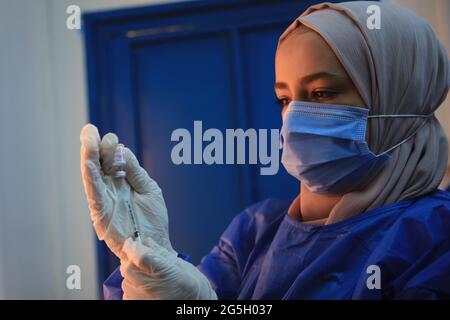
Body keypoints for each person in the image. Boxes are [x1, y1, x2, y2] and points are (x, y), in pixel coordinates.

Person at [80, 1, 450, 300]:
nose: (294, 118)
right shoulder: (257, 231)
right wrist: (147, 254)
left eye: (321, 93)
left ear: (401, 96)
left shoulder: (435, 239)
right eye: (284, 99)